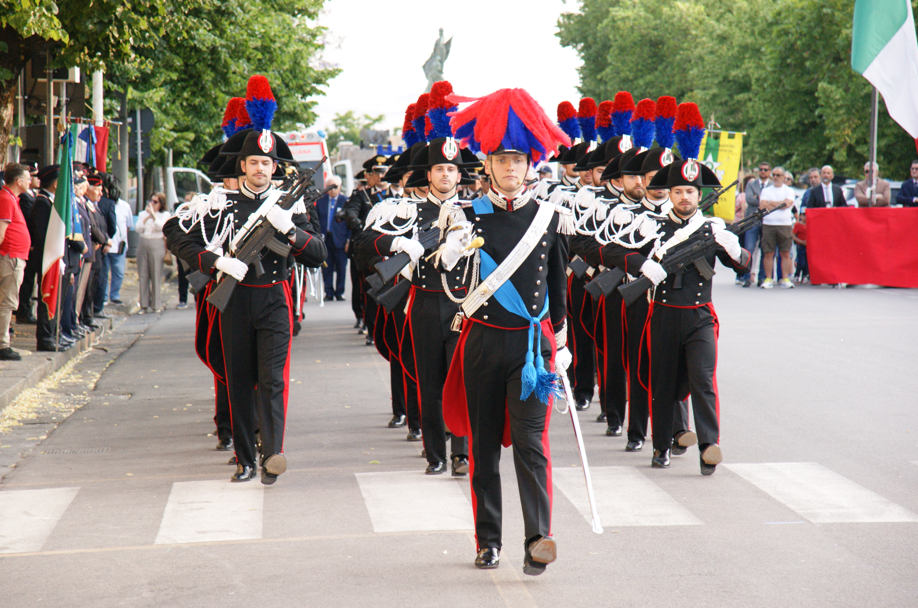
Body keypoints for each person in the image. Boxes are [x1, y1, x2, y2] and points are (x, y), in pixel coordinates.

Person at [166, 74, 326, 484]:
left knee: (272, 381)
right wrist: (215, 262)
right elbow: (174, 231)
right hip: (235, 301)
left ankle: (272, 453)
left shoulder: (289, 205)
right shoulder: (219, 203)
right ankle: (244, 458)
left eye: (267, 163)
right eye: (253, 162)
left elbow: (319, 253)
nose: (260, 169)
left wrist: (289, 229)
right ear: (242, 165)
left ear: (276, 167)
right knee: (239, 381)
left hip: (274, 298)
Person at [441, 88, 573, 575]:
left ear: (530, 161)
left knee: (532, 443)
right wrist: (451, 254)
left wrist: (561, 342)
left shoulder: (548, 217)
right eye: (502, 159)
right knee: (482, 447)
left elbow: (557, 287)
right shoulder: (465, 215)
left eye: (518, 158)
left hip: (532, 349)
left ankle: (538, 537)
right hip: (481, 342)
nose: (511, 167)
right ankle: (488, 540)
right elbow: (455, 287)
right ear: (488, 164)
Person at [640, 131, 751, 474]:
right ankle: (662, 445)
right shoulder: (653, 228)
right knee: (664, 382)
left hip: (700, 316)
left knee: (703, 379)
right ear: (669, 194)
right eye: (678, 192)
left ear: (699, 193)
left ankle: (708, 445)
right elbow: (631, 264)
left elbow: (743, 263)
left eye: (690, 191)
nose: (685, 197)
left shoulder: (713, 227)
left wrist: (732, 247)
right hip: (663, 315)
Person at [0, 164, 33, 360]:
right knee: (7, 302)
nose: (30, 182)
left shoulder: (11, 198)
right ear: (18, 181)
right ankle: (3, 345)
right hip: (10, 257)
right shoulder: (6, 198)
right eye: (28, 178)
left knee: (7, 301)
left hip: (14, 256)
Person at [758, 167, 796, 289]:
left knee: (785, 252)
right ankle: (768, 278)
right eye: (773, 175)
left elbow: (787, 204)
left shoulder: (789, 190)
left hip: (784, 224)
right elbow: (762, 206)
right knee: (768, 253)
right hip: (769, 224)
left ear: (783, 177)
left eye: (778, 175)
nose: (775, 177)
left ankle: (785, 278)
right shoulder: (766, 190)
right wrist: (779, 203)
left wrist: (771, 202)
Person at [315, 175, 350, 301]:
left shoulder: (346, 201)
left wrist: (348, 240)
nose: (333, 189)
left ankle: (339, 292)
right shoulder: (321, 201)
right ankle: (328, 292)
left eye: (335, 187)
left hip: (340, 240)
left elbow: (350, 223)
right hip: (325, 239)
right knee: (326, 267)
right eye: (330, 187)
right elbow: (316, 220)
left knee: (341, 267)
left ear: (340, 187)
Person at [136, 193, 170, 312]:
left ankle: (156, 304)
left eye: (155, 202)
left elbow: (162, 227)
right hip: (143, 242)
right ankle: (144, 305)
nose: (152, 204)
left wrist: (154, 216)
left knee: (156, 274)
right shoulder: (142, 214)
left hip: (157, 244)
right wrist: (147, 217)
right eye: (151, 201)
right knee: (143, 274)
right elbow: (138, 228)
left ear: (161, 204)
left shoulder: (164, 215)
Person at [103, 173, 133, 305]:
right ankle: (103, 297)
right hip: (105, 245)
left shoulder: (125, 206)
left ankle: (114, 295)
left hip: (119, 245)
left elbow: (128, 226)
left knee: (119, 272)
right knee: (104, 274)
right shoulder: (103, 204)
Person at [740, 162, 771, 287]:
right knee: (749, 249)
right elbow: (749, 199)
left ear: (769, 171)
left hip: (767, 221)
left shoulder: (772, 185)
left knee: (765, 250)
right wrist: (764, 202)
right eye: (761, 169)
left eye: (765, 169)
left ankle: (762, 278)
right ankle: (746, 277)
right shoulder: (751, 184)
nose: (763, 171)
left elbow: (770, 201)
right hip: (752, 220)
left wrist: (759, 198)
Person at [15, 163, 39, 324]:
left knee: (29, 280)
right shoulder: (23, 197)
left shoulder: (30, 195)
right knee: (25, 282)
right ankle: (23, 311)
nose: (32, 180)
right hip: (24, 248)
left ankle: (25, 309)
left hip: (28, 246)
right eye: (31, 176)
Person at [793, 209, 808, 283]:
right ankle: (797, 275)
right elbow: (793, 235)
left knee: (806, 262)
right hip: (800, 246)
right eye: (804, 215)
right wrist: (801, 242)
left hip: (808, 246)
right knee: (800, 262)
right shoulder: (798, 225)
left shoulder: (810, 225)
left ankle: (805, 275)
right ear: (801, 216)